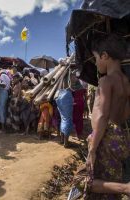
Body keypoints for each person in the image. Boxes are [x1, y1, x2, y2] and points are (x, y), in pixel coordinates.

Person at [83, 34, 130, 199]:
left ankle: (126, 188)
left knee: (85, 181)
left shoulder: (106, 81)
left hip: (105, 138)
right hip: (121, 138)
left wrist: (93, 149)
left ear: (105, 56)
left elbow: (102, 116)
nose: (95, 63)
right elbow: (125, 113)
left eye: (96, 58)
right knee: (110, 179)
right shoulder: (126, 82)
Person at [55, 72, 74, 148]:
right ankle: (66, 142)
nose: (74, 78)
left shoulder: (61, 79)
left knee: (63, 119)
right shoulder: (67, 82)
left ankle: (62, 140)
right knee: (67, 120)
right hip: (65, 98)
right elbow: (70, 89)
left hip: (59, 98)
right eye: (73, 77)